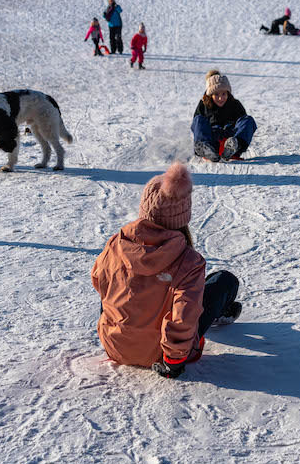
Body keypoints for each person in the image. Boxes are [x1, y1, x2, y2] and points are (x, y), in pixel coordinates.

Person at [92, 162, 242, 380]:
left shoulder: (117, 243)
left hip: (115, 346)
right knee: (224, 282)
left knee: (115, 278)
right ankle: (221, 311)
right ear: (182, 216)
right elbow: (183, 318)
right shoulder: (188, 261)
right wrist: (172, 362)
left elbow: (99, 282)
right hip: (160, 354)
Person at [191, 70, 257, 162]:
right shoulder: (204, 105)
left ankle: (235, 146)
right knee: (198, 119)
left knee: (248, 120)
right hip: (212, 139)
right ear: (210, 95)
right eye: (216, 94)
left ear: (228, 93)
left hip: (230, 138)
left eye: (223, 94)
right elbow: (197, 126)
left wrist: (236, 138)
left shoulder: (235, 104)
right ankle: (204, 148)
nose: (220, 98)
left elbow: (244, 125)